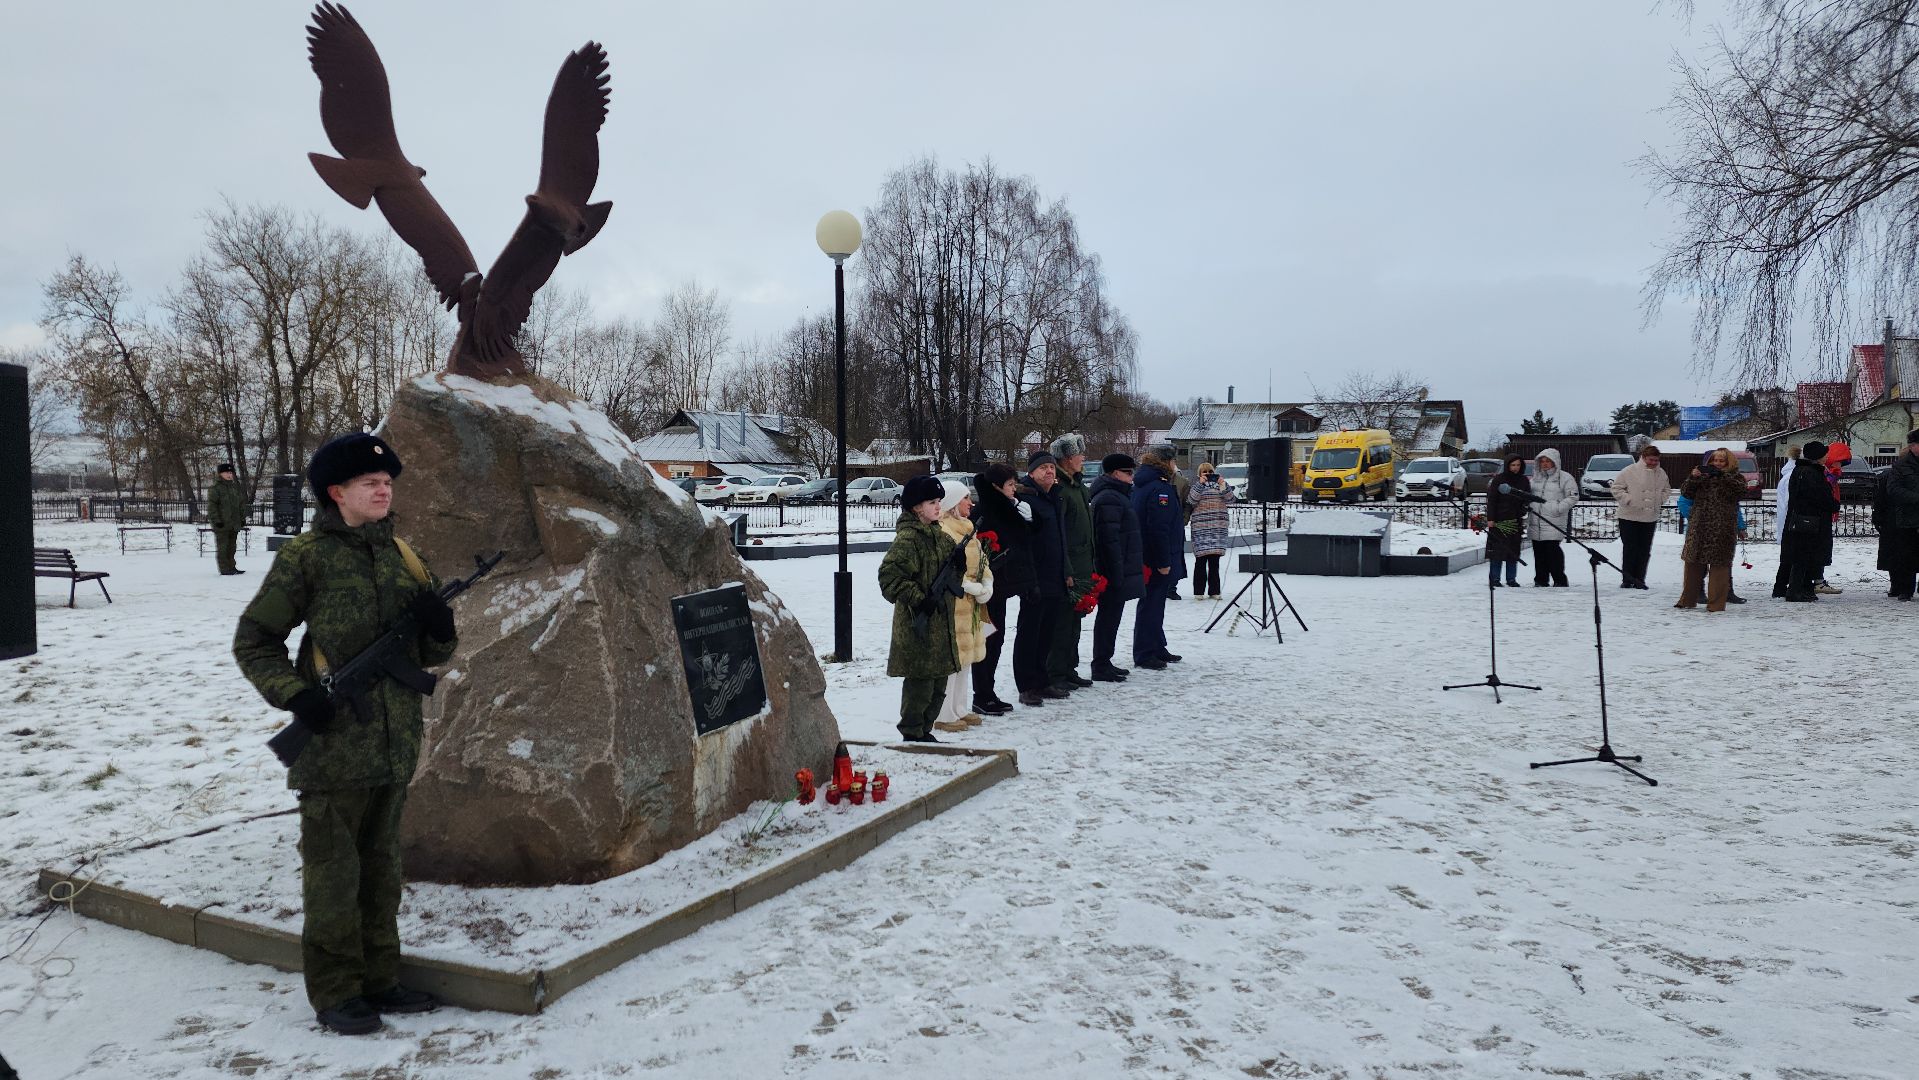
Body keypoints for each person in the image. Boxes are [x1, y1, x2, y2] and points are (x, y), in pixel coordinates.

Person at [233, 433, 458, 1035]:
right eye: (369, 484)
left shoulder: (406, 558)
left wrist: (440, 626)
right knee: (334, 877)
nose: (384, 490)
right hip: (332, 746)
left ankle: (380, 980)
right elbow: (253, 641)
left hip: (394, 743)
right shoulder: (307, 557)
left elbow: (435, 652)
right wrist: (297, 696)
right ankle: (336, 993)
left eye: (387, 483)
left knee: (382, 871)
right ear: (338, 493)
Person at [878, 474, 962, 741]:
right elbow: (889, 578)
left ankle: (926, 729)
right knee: (920, 684)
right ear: (916, 507)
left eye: (939, 501)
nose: (938, 506)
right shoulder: (909, 539)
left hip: (941, 626)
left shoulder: (941, 538)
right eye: (931, 502)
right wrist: (918, 598)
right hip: (919, 626)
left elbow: (953, 580)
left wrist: (958, 566)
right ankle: (913, 732)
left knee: (938, 684)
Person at [968, 463, 1032, 715]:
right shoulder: (985, 512)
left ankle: (989, 691)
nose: (1013, 489)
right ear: (996, 487)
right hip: (986, 589)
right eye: (1009, 485)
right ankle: (981, 694)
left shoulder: (1009, 509)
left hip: (1001, 586)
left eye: (1014, 484)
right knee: (987, 639)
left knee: (997, 639)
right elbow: (976, 550)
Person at [931, 482, 992, 733]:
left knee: (966, 660)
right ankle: (943, 713)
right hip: (954, 605)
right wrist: (971, 587)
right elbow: (946, 569)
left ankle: (960, 707)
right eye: (967, 498)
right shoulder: (945, 530)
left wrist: (987, 583)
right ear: (955, 502)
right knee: (952, 660)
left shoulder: (968, 529)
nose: (971, 503)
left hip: (970, 607)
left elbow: (982, 562)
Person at [1014, 451, 1070, 707]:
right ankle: (1026, 685)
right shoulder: (1026, 499)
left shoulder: (1053, 498)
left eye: (1052, 467)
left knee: (1047, 632)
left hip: (1054, 575)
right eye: (1044, 467)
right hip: (1034, 577)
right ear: (1033, 472)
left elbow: (1059, 538)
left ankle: (1042, 679)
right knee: (1029, 633)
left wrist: (1065, 571)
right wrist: (1027, 579)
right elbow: (1023, 544)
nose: (1050, 471)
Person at [1045, 434, 1097, 694]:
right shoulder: (1062, 490)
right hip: (1069, 567)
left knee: (1075, 620)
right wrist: (1066, 568)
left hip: (1082, 564)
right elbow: (1060, 534)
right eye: (1079, 454)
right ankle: (1055, 672)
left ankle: (1069, 668)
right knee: (1062, 623)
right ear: (1067, 459)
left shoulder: (1077, 486)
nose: (1083, 458)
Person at [1088, 454, 1145, 681]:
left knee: (1112, 617)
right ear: (1114, 474)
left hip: (1119, 566)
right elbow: (1109, 539)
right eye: (1128, 472)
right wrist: (1115, 572)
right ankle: (1100, 663)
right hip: (1111, 570)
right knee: (1108, 617)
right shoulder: (1109, 498)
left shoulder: (1118, 495)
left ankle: (1105, 660)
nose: (1132, 477)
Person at [1131, 446, 1187, 669]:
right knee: (1151, 604)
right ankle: (1145, 652)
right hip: (1156, 559)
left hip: (1153, 555)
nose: (1175, 465)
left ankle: (1156, 646)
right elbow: (1158, 528)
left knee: (1156, 604)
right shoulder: (1158, 488)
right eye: (1173, 460)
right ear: (1165, 462)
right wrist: (1163, 562)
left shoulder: (1151, 484)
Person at [1675, 446, 1749, 611]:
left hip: (1721, 528)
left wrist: (1722, 477)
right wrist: (1693, 478)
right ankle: (1687, 600)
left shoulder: (1735, 477)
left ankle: (1716, 604)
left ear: (1728, 462)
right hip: (1699, 527)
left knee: (1719, 567)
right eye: (1715, 460)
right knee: (1692, 564)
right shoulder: (1703, 477)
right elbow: (1686, 494)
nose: (1717, 464)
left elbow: (1741, 492)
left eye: (1721, 461)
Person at [1780, 442, 1840, 602]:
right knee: (1804, 557)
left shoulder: (1801, 470)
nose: (1827, 456)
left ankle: (1804, 588)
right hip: (1810, 521)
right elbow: (1818, 497)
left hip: (1804, 520)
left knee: (1805, 556)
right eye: (1825, 454)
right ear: (1817, 456)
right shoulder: (1811, 473)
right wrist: (1834, 504)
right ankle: (1795, 590)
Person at [1611, 445, 1666, 590]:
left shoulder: (1661, 473)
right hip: (1629, 516)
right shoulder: (1629, 471)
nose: (1653, 463)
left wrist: (1660, 499)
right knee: (1630, 549)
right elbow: (1616, 488)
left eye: (1656, 460)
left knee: (1644, 550)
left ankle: (1640, 579)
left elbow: (1666, 489)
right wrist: (1629, 499)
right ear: (1643, 457)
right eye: (1650, 460)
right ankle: (1628, 579)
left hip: (1649, 517)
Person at [1528, 449, 1578, 586]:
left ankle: (1559, 580)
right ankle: (1541, 579)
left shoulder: (1565, 478)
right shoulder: (1535, 479)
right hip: (1536, 520)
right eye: (1542, 461)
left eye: (1548, 461)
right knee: (1538, 552)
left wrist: (1557, 508)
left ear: (1554, 462)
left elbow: (1573, 496)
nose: (1545, 464)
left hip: (1553, 519)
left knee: (1553, 551)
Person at [1185, 462, 1234, 599]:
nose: (1208, 474)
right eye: (1204, 472)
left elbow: (1231, 500)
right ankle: (1199, 592)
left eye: (1210, 472)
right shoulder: (1196, 486)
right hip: (1201, 529)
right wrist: (1200, 484)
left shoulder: (1221, 485)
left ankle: (1214, 591)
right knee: (1200, 561)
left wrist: (1223, 485)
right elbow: (1191, 500)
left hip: (1217, 529)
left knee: (1214, 562)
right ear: (1199, 474)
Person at [1882, 429, 1919, 600]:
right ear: (1912, 446)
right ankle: (1906, 589)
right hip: (1908, 518)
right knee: (1907, 555)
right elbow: (1893, 490)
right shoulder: (1901, 466)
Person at [1483, 455, 1528, 587]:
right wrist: (1490, 518)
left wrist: (1523, 508)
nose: (1515, 468)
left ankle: (1511, 579)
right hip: (1498, 520)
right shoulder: (1499, 479)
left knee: (1512, 551)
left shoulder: (1523, 480)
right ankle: (1495, 578)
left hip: (1515, 520)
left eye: (1518, 465)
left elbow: (1526, 497)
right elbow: (1492, 500)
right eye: (1513, 465)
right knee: (1497, 551)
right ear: (1508, 465)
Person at [208, 462, 248, 576]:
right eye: (227, 472)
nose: (229, 475)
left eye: (231, 472)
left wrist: (242, 518)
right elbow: (212, 507)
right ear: (221, 474)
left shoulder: (234, 488)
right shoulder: (215, 489)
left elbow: (240, 504)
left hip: (234, 524)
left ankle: (232, 567)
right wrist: (217, 521)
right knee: (223, 548)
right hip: (222, 524)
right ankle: (224, 569)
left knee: (232, 547)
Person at [1771, 444, 1801, 598]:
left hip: (1788, 521)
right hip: (1793, 522)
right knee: (1790, 557)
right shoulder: (1793, 476)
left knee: (1788, 556)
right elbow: (1790, 501)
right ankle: (1781, 587)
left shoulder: (1788, 475)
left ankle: (1781, 586)